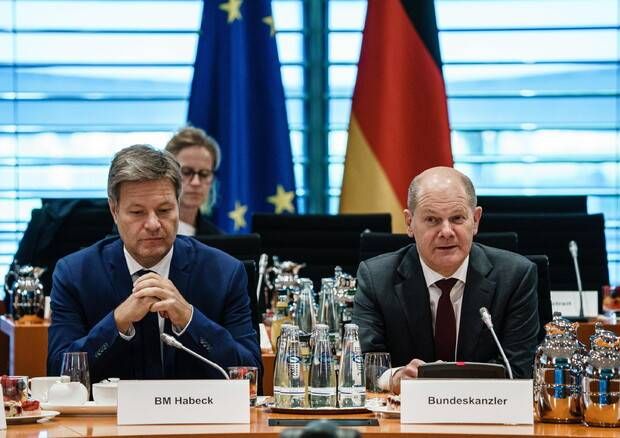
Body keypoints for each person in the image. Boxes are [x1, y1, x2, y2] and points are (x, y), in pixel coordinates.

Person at [48, 145, 260, 382]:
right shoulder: (75, 275)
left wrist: (189, 319)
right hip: (110, 408)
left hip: (197, 407)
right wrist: (117, 323)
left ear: (178, 205)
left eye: (164, 210)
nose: (153, 224)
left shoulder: (225, 273)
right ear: (114, 210)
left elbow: (250, 375)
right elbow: (58, 374)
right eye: (137, 212)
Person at [352, 166, 538, 393]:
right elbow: (360, 365)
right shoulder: (376, 278)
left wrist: (447, 386)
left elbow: (517, 370)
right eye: (432, 219)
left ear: (475, 220)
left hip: (486, 410)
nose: (447, 231)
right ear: (409, 223)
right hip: (403, 413)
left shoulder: (516, 277)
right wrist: (395, 378)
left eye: (457, 218)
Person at [165, 126, 222, 236]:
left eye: (204, 174)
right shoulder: (147, 231)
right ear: (168, 173)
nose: (196, 182)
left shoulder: (219, 240)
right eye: (186, 172)